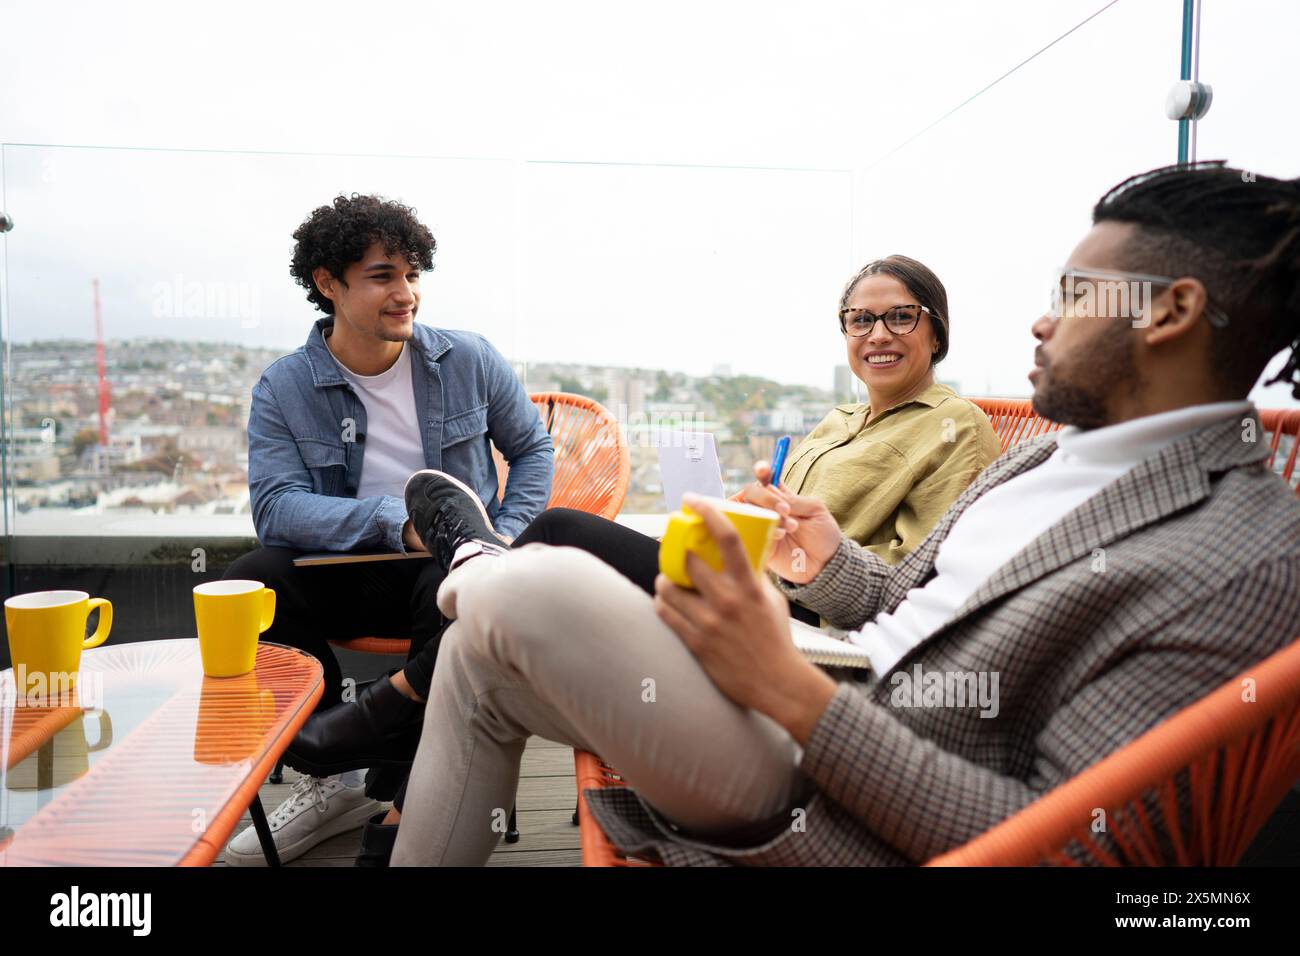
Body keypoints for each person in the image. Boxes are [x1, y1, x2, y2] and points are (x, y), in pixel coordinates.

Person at [389, 162, 1300, 866]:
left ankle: (471, 561)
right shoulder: (1049, 454)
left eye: (1071, 296)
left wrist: (786, 685)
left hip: (841, 790)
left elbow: (1060, 843)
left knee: (535, 583)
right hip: (830, 677)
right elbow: (912, 600)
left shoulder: (1236, 557)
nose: (1038, 324)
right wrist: (829, 561)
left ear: (1173, 311)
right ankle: (478, 577)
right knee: (478, 654)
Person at [283, 254, 1000, 863]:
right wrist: (762, 513)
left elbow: (919, 578)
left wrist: (819, 555)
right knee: (503, 602)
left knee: (561, 527)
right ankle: (406, 748)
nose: (878, 334)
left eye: (900, 317)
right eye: (860, 320)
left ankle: (407, 682)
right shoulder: (840, 420)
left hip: (797, 621)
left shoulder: (953, 426)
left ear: (936, 328)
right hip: (749, 581)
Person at [221, 194, 553, 865]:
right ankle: (333, 778)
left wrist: (497, 537)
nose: (405, 294)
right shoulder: (284, 387)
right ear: (327, 283)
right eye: (382, 277)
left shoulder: (469, 359)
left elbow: (535, 452)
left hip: (451, 563)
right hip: (353, 563)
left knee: (449, 582)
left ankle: (411, 790)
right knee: (250, 582)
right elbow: (277, 507)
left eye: (411, 275)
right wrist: (393, 524)